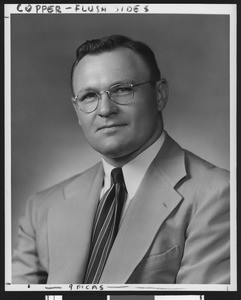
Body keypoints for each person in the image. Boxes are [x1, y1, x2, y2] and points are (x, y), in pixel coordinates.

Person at [12, 35, 230, 284]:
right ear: (77, 110)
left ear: (159, 94)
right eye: (89, 96)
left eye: (122, 90)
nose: (105, 109)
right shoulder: (41, 208)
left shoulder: (219, 195)